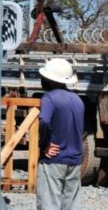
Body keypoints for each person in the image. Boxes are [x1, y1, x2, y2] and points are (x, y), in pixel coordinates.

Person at [36, 58, 84, 210]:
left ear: (48, 79)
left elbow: (44, 121)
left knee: (49, 202)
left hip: (54, 158)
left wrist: (44, 145)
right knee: (71, 204)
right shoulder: (77, 100)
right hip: (75, 159)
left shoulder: (49, 98)